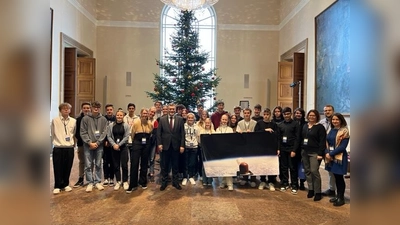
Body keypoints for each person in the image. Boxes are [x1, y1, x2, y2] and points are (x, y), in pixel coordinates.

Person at [80, 101, 108, 192]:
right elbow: (83, 132)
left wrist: (98, 142)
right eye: (94, 107)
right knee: (88, 164)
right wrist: (89, 142)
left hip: (99, 145)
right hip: (88, 145)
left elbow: (104, 132)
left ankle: (98, 181)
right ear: (91, 108)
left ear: (99, 108)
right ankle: (90, 182)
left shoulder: (103, 119)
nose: (96, 108)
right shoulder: (85, 119)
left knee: (98, 163)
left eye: (98, 107)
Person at [157, 103, 185, 191]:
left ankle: (175, 182)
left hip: (176, 146)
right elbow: (159, 133)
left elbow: (182, 134)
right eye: (170, 109)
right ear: (168, 110)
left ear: (175, 110)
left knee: (175, 165)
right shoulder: (162, 119)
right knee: (165, 165)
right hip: (165, 146)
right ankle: (164, 182)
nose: (172, 110)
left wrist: (182, 145)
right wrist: (160, 144)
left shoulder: (180, 119)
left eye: (173, 109)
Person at [301, 109, 326, 201]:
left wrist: (320, 153)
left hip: (315, 153)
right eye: (310, 115)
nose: (311, 117)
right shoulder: (305, 126)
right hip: (304, 152)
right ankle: (311, 189)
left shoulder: (320, 127)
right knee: (307, 171)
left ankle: (318, 192)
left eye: (313, 116)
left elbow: (322, 141)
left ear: (317, 117)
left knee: (314, 171)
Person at [51, 103, 77, 194]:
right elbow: (52, 133)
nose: (66, 110)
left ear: (70, 110)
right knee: (57, 167)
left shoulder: (73, 121)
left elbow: (74, 133)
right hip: (58, 147)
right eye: (64, 109)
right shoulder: (55, 120)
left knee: (68, 166)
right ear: (60, 110)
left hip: (69, 147)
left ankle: (66, 184)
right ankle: (57, 185)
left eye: (68, 109)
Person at [325, 113, 350, 206]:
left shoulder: (344, 131)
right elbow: (326, 142)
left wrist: (331, 154)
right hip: (330, 157)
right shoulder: (331, 130)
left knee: (339, 178)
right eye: (333, 120)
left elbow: (343, 147)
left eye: (337, 120)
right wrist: (327, 152)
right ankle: (337, 195)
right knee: (335, 177)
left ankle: (341, 198)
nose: (335, 121)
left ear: (341, 120)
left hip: (339, 157)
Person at [126, 108, 154, 193]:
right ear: (140, 114)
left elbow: (151, 133)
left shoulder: (149, 124)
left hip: (146, 144)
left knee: (144, 163)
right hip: (137, 143)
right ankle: (132, 184)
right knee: (134, 163)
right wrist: (136, 142)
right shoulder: (136, 122)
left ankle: (143, 182)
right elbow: (132, 134)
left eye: (146, 113)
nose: (145, 115)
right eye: (143, 113)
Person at [254, 108, 279, 191]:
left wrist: (277, 148)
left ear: (270, 115)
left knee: (270, 164)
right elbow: (255, 133)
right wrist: (265, 130)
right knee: (262, 164)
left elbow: (277, 136)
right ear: (263, 115)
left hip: (271, 147)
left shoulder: (274, 124)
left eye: (268, 114)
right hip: (261, 147)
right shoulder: (259, 123)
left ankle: (271, 181)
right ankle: (263, 180)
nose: (266, 116)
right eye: (264, 114)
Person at [277, 107, 301, 194]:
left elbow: (297, 138)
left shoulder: (295, 124)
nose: (286, 116)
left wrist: (294, 150)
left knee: (292, 167)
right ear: (283, 115)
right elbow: (279, 138)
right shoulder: (280, 125)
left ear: (291, 114)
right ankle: (285, 183)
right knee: (283, 167)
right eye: (285, 114)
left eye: (288, 114)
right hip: (283, 149)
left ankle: (294, 184)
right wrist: (278, 149)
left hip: (292, 149)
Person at [106, 110, 130, 191]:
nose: (119, 117)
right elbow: (109, 136)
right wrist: (114, 145)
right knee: (116, 165)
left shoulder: (126, 125)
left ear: (123, 116)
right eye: (118, 115)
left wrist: (119, 145)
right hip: (114, 148)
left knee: (124, 165)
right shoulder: (111, 125)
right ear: (115, 116)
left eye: (121, 115)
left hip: (123, 147)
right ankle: (118, 181)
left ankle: (125, 181)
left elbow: (127, 136)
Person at [236, 108, 257, 187]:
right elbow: (237, 132)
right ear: (243, 114)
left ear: (250, 114)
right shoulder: (240, 123)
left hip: (252, 146)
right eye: (245, 113)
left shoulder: (254, 123)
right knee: (244, 162)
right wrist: (239, 132)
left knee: (252, 162)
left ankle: (253, 179)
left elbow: (257, 133)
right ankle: (244, 178)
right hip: (243, 146)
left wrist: (252, 133)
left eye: (248, 113)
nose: (246, 114)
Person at [320, 104, 337, 197]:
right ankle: (332, 189)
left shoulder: (338, 121)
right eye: (325, 110)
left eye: (329, 110)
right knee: (330, 170)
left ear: (333, 111)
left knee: (337, 172)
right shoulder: (321, 122)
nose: (327, 112)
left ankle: (339, 192)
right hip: (325, 149)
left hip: (336, 149)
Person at [73, 102, 91, 188]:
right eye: (85, 108)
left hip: (91, 144)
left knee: (91, 162)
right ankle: (81, 179)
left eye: (88, 108)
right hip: (81, 144)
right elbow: (76, 133)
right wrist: (85, 140)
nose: (86, 109)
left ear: (90, 109)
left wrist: (90, 141)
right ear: (82, 108)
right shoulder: (78, 119)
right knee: (82, 162)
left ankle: (91, 179)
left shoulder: (92, 118)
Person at [215, 114, 234, 191]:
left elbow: (231, 140)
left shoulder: (230, 129)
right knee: (222, 167)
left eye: (225, 120)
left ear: (228, 121)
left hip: (228, 151)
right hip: (220, 151)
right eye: (223, 119)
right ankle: (222, 182)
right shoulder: (218, 130)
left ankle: (230, 184)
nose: (224, 121)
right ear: (221, 120)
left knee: (228, 167)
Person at [182, 113, 199, 186]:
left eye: (192, 118)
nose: (190, 119)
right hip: (186, 146)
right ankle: (185, 177)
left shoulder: (197, 127)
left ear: (194, 119)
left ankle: (191, 176)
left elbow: (198, 136)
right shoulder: (183, 126)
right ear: (187, 118)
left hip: (194, 147)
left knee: (192, 163)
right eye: (189, 118)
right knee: (185, 163)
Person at [197, 118, 215, 186]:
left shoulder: (213, 131)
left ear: (211, 124)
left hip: (211, 151)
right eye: (206, 122)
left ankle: (210, 181)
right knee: (204, 165)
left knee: (210, 165)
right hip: (203, 150)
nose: (207, 124)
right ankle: (204, 180)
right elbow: (199, 141)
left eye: (209, 123)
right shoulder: (201, 131)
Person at [293, 107, 307, 190]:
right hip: (294, 148)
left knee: (302, 166)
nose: (298, 115)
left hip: (302, 148)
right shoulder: (292, 123)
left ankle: (302, 182)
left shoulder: (306, 124)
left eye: (300, 113)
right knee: (294, 166)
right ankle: (295, 182)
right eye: (296, 113)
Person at [103, 104, 116, 187]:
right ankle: (105, 178)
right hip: (105, 143)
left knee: (112, 161)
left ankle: (111, 177)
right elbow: (102, 131)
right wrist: (105, 140)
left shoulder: (115, 119)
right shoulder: (103, 119)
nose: (109, 111)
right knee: (105, 161)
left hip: (113, 143)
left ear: (113, 110)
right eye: (108, 110)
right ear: (106, 111)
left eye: (111, 109)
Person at [147, 106, 159, 182]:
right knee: (145, 158)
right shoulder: (144, 120)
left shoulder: (155, 122)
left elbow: (155, 133)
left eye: (154, 112)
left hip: (152, 143)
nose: (152, 113)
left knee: (152, 158)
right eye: (151, 112)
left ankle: (151, 172)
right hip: (144, 143)